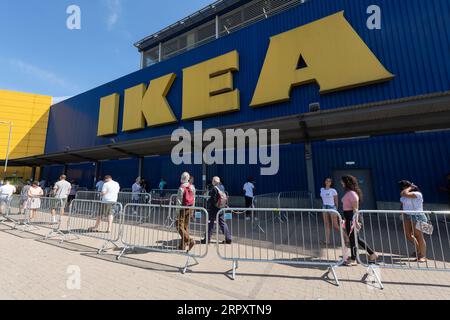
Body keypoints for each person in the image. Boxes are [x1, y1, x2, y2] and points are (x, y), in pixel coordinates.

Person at [341, 175, 377, 266]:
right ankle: (357, 257)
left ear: (346, 182)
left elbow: (355, 209)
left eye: (342, 181)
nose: (341, 183)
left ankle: (368, 255)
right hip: (348, 217)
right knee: (354, 239)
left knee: (355, 239)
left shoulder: (352, 194)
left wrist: (355, 221)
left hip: (352, 218)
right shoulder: (349, 192)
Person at [399, 180, 428, 263]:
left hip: (418, 216)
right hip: (407, 215)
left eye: (404, 187)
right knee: (408, 235)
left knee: (419, 235)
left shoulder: (417, 194)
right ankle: (418, 250)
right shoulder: (405, 194)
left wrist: (410, 187)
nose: (403, 189)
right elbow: (403, 203)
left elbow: (404, 194)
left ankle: (422, 255)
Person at [201, 177, 232, 245]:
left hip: (214, 209)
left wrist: (208, 200)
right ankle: (228, 238)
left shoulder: (214, 189)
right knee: (223, 224)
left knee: (210, 224)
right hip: (221, 208)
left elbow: (213, 200)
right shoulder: (222, 187)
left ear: (214, 181)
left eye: (212, 180)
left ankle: (207, 239)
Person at [176, 172, 196, 251]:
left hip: (182, 209)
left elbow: (178, 202)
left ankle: (189, 240)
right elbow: (194, 199)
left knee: (178, 226)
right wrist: (192, 211)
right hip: (190, 208)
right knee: (185, 226)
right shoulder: (192, 187)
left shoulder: (181, 188)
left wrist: (177, 213)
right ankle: (182, 246)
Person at [320, 178, 340, 245]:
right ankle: (327, 240)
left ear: (331, 183)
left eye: (329, 181)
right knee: (326, 224)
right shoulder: (322, 189)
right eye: (326, 180)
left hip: (332, 207)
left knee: (335, 225)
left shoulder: (333, 190)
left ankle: (346, 237)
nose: (327, 182)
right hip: (324, 207)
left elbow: (336, 200)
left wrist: (336, 209)